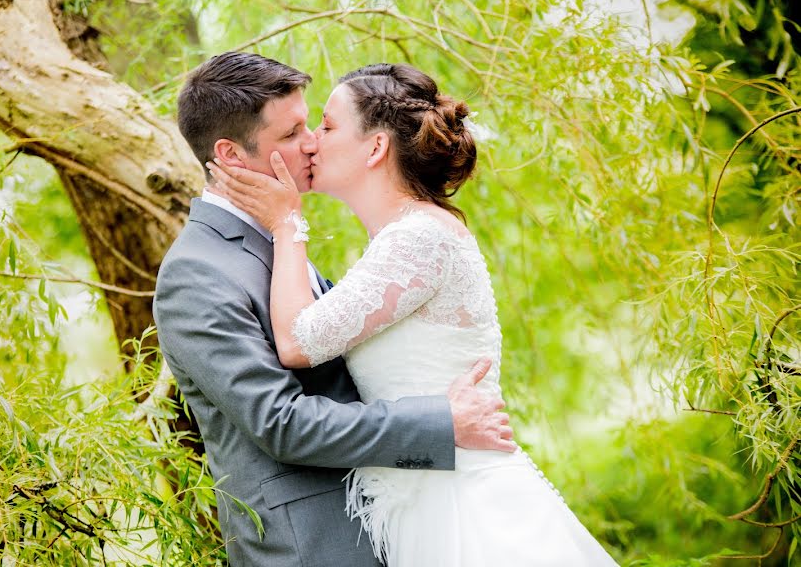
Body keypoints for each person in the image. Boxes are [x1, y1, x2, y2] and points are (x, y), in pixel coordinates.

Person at [209, 63, 619, 566]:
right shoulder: (396, 239)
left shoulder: (418, 238)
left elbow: (295, 343)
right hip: (422, 498)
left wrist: (287, 222)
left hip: (462, 508)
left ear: (376, 148)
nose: (312, 142)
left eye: (327, 126)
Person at [152, 52, 516, 567]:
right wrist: (439, 422)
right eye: (292, 132)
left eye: (315, 125)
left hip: (395, 522)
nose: (312, 143)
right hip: (313, 546)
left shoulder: (278, 240)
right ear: (231, 155)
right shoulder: (198, 272)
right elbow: (281, 423)